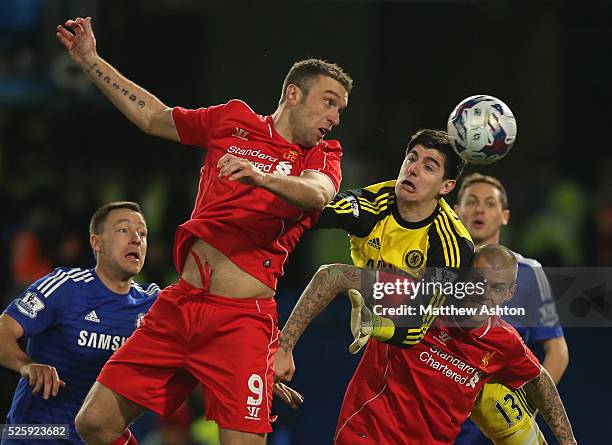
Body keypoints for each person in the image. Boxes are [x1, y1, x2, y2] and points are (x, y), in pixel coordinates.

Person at [56, 16, 352, 445]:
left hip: (241, 322)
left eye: (341, 109)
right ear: (293, 93)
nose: (335, 117)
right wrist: (90, 60)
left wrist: (261, 177)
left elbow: (317, 194)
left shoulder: (323, 156)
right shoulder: (231, 120)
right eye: (328, 102)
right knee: (94, 424)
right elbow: (154, 117)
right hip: (179, 305)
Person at [277, 245, 578, 444]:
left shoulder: (504, 342)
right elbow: (330, 275)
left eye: (496, 288)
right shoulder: (418, 295)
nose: (483, 293)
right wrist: (284, 347)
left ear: (509, 294)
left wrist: (568, 442)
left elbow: (540, 382)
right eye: (477, 280)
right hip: (369, 435)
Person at [275, 128, 474, 382]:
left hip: (438, 351)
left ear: (446, 186)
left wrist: (374, 324)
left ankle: (281, 350)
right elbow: (311, 213)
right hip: (378, 337)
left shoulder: (452, 244)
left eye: (429, 166)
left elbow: (416, 327)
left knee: (334, 275)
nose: (413, 168)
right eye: (411, 158)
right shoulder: (374, 203)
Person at [0, 201, 159, 445]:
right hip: (36, 435)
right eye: (123, 230)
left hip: (97, 439)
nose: (136, 239)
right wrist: (27, 366)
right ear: (97, 243)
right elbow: (4, 330)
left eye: (142, 233)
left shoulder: (152, 303)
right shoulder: (64, 286)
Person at [453, 173, 570, 445]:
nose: (480, 209)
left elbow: (558, 351)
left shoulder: (528, 273)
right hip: (440, 413)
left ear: (505, 216)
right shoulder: (441, 270)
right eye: (471, 201)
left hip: (498, 423)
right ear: (456, 212)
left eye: (489, 203)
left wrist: (526, 414)